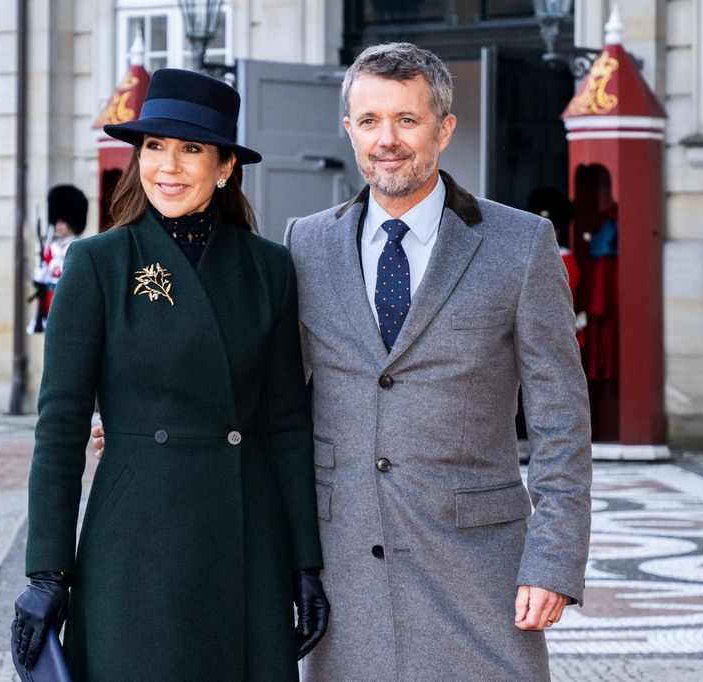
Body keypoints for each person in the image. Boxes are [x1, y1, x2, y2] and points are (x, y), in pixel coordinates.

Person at [94, 43, 591, 680]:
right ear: (348, 129)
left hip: (479, 571)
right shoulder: (307, 241)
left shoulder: (520, 244)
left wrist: (553, 561)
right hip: (342, 568)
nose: (388, 139)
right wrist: (155, 418)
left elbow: (562, 421)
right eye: (370, 120)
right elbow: (266, 390)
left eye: (407, 120)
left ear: (444, 128)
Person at [12, 68, 329, 682]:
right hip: (135, 545)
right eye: (154, 146)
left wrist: (303, 564)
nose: (169, 166)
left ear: (225, 166)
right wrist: (47, 569)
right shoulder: (98, 263)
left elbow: (289, 424)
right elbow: (60, 428)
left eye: (192, 149)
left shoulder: (270, 268)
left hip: (246, 542)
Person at [28, 184, 89, 334]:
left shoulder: (79, 246)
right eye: (57, 221)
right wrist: (39, 275)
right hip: (50, 297)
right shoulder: (50, 248)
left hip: (69, 296)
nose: (58, 225)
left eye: (63, 222)